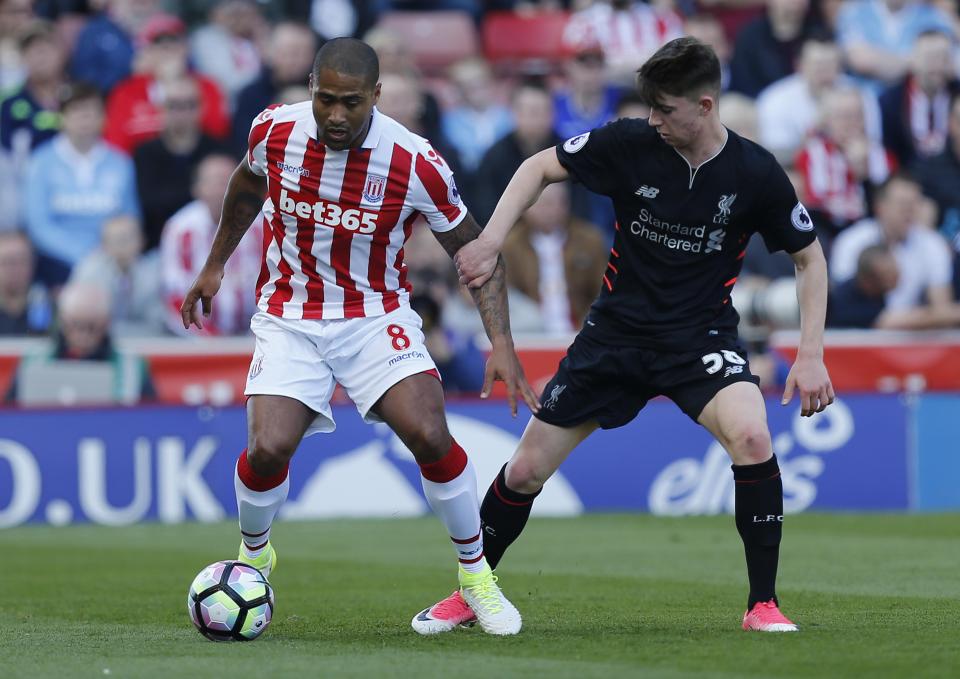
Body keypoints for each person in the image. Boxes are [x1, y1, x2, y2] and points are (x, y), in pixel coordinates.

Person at [411, 37, 835, 635]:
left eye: (665, 109)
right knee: (526, 470)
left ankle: (761, 604)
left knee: (753, 436)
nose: (654, 119)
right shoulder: (630, 141)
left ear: (706, 106)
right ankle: (468, 595)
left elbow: (810, 260)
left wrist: (811, 354)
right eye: (649, 107)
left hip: (699, 337)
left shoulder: (755, 172)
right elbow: (539, 167)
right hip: (613, 337)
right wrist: (488, 240)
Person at [179, 38, 539, 636]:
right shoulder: (274, 130)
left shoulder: (414, 161)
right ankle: (254, 555)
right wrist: (216, 263)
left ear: (376, 95)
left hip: (375, 314)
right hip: (290, 313)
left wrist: (500, 342)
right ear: (310, 91)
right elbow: (248, 186)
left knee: (428, 433)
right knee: (268, 449)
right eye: (325, 100)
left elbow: (477, 252)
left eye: (351, 102)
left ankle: (476, 578)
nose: (337, 116)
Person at [24, 82, 141, 287]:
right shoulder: (41, 162)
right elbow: (38, 226)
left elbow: (130, 217)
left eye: (91, 111)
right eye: (76, 110)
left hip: (113, 261)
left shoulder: (121, 163)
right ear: (62, 117)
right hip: (58, 263)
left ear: (103, 117)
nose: (84, 118)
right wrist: (85, 255)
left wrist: (112, 252)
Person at [830, 172, 960, 328]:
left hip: (916, 339)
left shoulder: (932, 244)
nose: (909, 211)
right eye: (902, 204)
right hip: (859, 334)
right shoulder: (851, 242)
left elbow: (941, 308)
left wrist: (940, 316)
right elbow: (846, 303)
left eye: (914, 203)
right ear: (880, 206)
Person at [162, 153, 261, 336]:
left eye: (230, 182)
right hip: (196, 344)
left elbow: (271, 286)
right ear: (198, 188)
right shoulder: (181, 230)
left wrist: (256, 338)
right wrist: (210, 342)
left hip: (254, 338)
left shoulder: (258, 226)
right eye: (216, 182)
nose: (224, 190)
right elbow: (174, 295)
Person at [103, 13, 230, 154]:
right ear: (146, 52)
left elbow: (217, 132)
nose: (167, 48)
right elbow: (115, 143)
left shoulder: (207, 87)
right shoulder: (125, 91)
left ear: (186, 48)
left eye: (174, 41)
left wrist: (176, 84)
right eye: (158, 43)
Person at [133, 75, 229, 251]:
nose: (182, 113)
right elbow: (149, 205)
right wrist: (202, 195)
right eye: (174, 105)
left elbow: (228, 200)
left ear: (202, 107)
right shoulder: (145, 153)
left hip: (215, 245)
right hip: (158, 247)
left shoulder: (219, 151)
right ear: (161, 109)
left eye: (189, 104)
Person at [69, 214, 163, 337]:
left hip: (141, 341)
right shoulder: (88, 272)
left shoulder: (153, 275)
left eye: (126, 239)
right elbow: (79, 320)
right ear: (103, 244)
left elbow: (157, 324)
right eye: (114, 240)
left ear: (141, 240)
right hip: (95, 341)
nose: (120, 246)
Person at [878, 29, 960, 167]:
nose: (939, 66)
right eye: (931, 58)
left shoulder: (957, 93)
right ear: (913, 60)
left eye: (945, 58)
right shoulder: (890, 101)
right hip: (909, 176)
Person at [0, 229, 52, 335]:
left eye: (21, 261)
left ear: (32, 263)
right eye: (7, 261)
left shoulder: (53, 308)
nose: (14, 269)